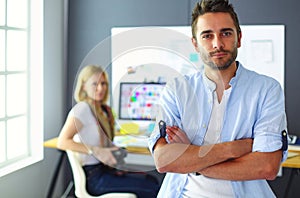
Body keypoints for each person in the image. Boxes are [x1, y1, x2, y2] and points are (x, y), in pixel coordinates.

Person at [148, 0, 288, 197]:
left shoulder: (266, 89)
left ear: (239, 38)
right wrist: (233, 148)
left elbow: (266, 167)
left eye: (226, 33)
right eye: (207, 36)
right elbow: (164, 161)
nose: (217, 43)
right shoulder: (177, 90)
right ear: (195, 44)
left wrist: (192, 158)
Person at [57, 65, 159, 198]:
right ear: (83, 86)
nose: (101, 88)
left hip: (105, 170)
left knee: (152, 180)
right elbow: (62, 142)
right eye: (95, 84)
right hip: (94, 178)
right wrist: (96, 150)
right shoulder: (82, 109)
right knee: (151, 189)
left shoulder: (103, 110)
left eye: (103, 83)